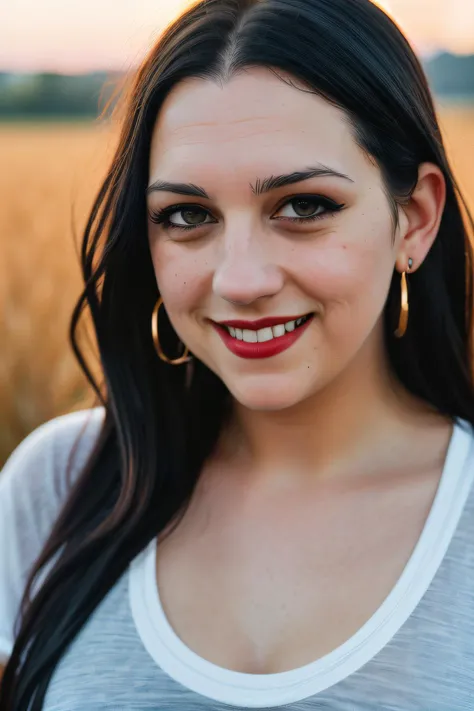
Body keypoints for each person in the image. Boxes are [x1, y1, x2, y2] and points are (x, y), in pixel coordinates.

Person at [2, 0, 474, 708]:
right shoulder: (59, 487)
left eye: (304, 205)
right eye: (187, 216)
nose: (241, 279)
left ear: (415, 218)